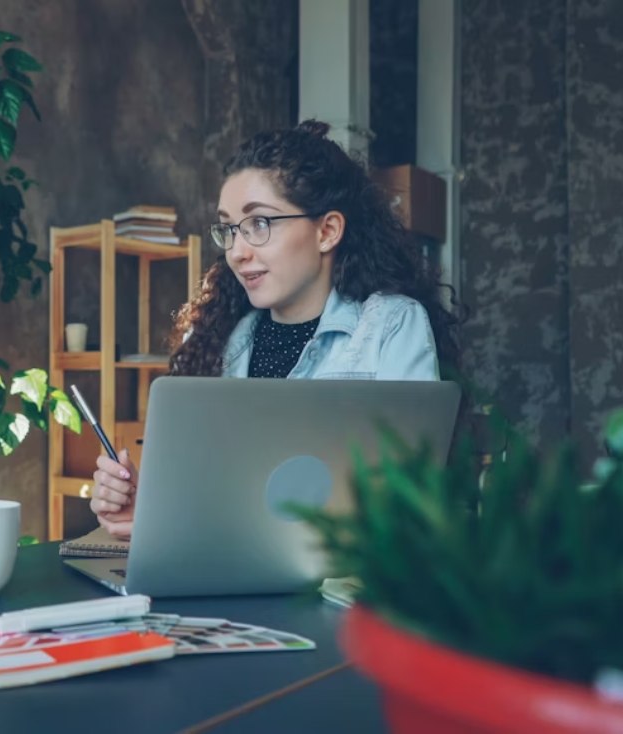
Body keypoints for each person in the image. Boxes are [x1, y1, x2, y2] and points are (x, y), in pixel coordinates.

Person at [90, 120, 460, 540]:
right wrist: (150, 508)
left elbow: (412, 501)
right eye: (229, 229)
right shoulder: (217, 340)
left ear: (327, 231)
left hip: (345, 574)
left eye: (259, 224)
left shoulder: (391, 325)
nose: (237, 251)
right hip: (227, 566)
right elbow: (208, 501)